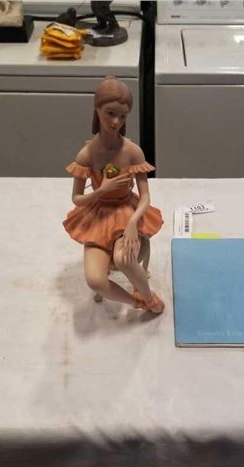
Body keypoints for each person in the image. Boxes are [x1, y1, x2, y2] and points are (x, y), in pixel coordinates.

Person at [62, 76, 165, 314]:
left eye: (123, 116)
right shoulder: (87, 154)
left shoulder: (132, 151)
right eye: (110, 113)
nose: (116, 121)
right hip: (98, 217)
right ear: (97, 109)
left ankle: (149, 298)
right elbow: (76, 199)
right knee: (95, 280)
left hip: (125, 211)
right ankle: (135, 302)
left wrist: (132, 223)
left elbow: (145, 196)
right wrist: (101, 191)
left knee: (123, 258)